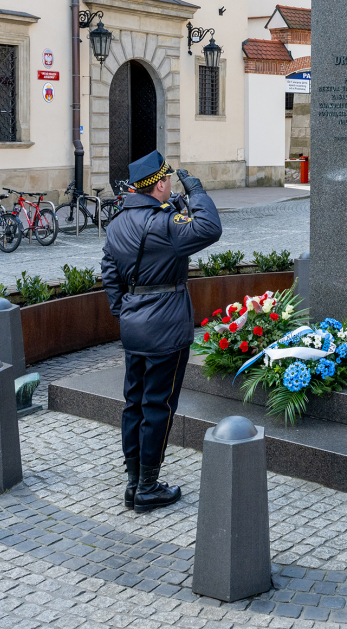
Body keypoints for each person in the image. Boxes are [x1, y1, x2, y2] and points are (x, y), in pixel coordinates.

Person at [101, 151, 222, 513]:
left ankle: (133, 481)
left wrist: (123, 310)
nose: (171, 186)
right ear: (158, 185)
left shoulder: (118, 222)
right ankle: (148, 487)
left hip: (134, 325)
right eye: (168, 181)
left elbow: (109, 270)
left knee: (134, 403)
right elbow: (209, 228)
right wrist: (197, 192)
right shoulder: (163, 224)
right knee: (158, 405)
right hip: (165, 327)